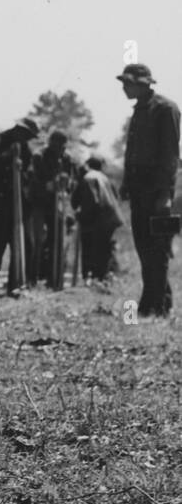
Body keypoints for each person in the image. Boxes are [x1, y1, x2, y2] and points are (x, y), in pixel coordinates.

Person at [118, 63, 180, 317]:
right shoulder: (139, 111)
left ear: (142, 83)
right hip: (138, 189)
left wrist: (165, 194)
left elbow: (170, 155)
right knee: (145, 247)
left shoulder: (166, 109)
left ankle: (155, 305)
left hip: (156, 191)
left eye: (127, 83)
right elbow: (132, 150)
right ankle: (157, 301)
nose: (123, 87)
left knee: (157, 248)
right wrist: (125, 182)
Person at [0, 118, 39, 296]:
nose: (27, 138)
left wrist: (23, 175)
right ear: (17, 129)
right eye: (25, 134)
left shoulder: (25, 149)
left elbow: (29, 176)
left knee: (25, 244)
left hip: (17, 207)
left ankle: (15, 285)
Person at [31, 130, 79, 287]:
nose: (59, 150)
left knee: (57, 239)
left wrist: (67, 184)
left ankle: (54, 279)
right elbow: (30, 180)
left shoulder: (67, 159)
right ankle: (32, 278)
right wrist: (47, 186)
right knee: (37, 239)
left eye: (62, 147)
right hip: (38, 202)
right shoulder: (38, 156)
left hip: (57, 203)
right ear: (50, 143)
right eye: (56, 146)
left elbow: (73, 182)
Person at [72, 155, 124, 283]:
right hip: (110, 218)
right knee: (104, 250)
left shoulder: (88, 177)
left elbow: (91, 201)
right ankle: (103, 278)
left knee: (94, 250)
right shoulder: (104, 178)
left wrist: (82, 215)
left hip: (98, 219)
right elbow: (116, 198)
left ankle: (96, 279)